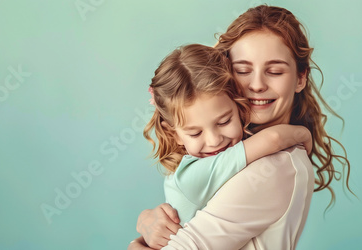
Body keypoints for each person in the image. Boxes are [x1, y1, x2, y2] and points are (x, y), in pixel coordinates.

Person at [129, 5, 352, 250]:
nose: (256, 85)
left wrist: (135, 245)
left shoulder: (273, 167)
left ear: (300, 78)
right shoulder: (230, 149)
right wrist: (146, 222)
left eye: (275, 71)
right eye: (243, 70)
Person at [144, 43, 312, 225]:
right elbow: (274, 138)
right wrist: (304, 134)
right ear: (174, 134)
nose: (214, 140)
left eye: (224, 122)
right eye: (195, 133)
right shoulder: (192, 175)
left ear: (239, 107)